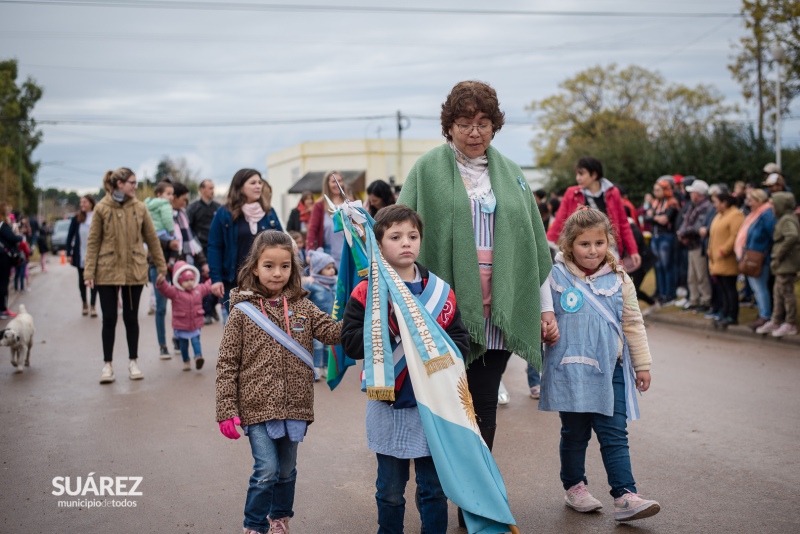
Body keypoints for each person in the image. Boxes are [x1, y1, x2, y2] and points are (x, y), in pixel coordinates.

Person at [397, 81, 558, 512]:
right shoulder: (427, 169)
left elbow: (533, 249)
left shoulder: (512, 174)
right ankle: (438, 498)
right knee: (447, 409)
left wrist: (544, 308)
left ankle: (476, 504)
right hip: (442, 316)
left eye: (484, 122)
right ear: (449, 127)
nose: (474, 131)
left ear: (494, 126)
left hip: (497, 318)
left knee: (483, 407)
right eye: (465, 122)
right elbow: (397, 236)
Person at [340, 205, 471, 533]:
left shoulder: (439, 292)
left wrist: (437, 352)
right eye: (395, 237)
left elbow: (461, 343)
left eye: (412, 236)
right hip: (389, 405)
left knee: (433, 488)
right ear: (379, 244)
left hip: (432, 405)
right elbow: (350, 342)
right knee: (390, 490)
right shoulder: (365, 292)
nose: (406, 243)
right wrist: (385, 326)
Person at [215, 230, 342, 534]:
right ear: (255, 267)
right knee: (266, 470)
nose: (277, 273)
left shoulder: (303, 307)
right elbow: (226, 364)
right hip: (255, 407)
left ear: (293, 268)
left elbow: (334, 333)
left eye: (285, 266)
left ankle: (280, 519)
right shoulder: (241, 313)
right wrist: (225, 409)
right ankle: (254, 525)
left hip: (295, 406)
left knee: (286, 471)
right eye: (269, 265)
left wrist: (362, 307)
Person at [539, 207, 659, 522]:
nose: (593, 251)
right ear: (568, 245)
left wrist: (642, 365)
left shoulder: (620, 279)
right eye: (584, 244)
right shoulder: (553, 276)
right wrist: (544, 325)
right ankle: (575, 487)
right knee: (575, 432)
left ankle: (625, 496)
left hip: (612, 370)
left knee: (614, 432)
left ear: (608, 242)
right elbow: (542, 314)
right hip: (570, 370)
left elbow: (633, 322)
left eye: (599, 243)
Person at [84, 168, 167, 384]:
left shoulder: (139, 208)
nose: (135, 186)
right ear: (119, 183)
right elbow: (93, 241)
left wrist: (161, 267)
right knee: (109, 319)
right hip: (107, 271)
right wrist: (89, 272)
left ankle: (133, 362)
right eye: (132, 182)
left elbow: (152, 239)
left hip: (134, 270)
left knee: (131, 318)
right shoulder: (102, 208)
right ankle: (107, 365)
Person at [208, 169, 281, 323]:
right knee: (236, 327)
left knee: (265, 327)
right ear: (240, 187)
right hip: (235, 283)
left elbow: (282, 242)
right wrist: (216, 279)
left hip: (265, 282)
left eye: (260, 182)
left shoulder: (268, 212)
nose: (258, 186)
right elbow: (215, 246)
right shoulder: (224, 213)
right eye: (253, 183)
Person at [548, 157, 641, 270]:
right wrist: (547, 244)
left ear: (594, 174)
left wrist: (633, 250)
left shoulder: (613, 192)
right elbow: (560, 220)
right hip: (581, 250)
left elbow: (623, 223)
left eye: (581, 174)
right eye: (577, 174)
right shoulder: (572, 193)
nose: (578, 178)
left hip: (608, 248)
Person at [756, 192, 800, 337]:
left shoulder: (787, 219)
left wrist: (779, 254)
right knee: (778, 293)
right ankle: (775, 320)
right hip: (782, 263)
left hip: (786, 263)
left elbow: (792, 236)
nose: (772, 208)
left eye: (774, 205)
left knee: (786, 293)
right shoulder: (783, 218)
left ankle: (790, 323)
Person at [156, 260, 212, 371]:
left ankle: (198, 357)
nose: (190, 283)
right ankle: (186, 360)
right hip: (181, 325)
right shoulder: (175, 292)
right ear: (178, 281)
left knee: (196, 341)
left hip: (195, 323)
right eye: (186, 281)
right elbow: (166, 290)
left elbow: (207, 286)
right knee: (183, 345)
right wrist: (162, 283)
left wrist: (212, 277)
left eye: (191, 279)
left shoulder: (198, 289)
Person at [735, 189, 776, 331]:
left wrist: (766, 251)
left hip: (760, 258)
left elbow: (773, 235)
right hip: (753, 255)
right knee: (757, 288)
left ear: (759, 200)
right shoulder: (757, 214)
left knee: (760, 288)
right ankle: (763, 313)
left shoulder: (766, 214)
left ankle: (765, 315)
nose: (748, 203)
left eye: (750, 200)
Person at [707, 191, 745, 329]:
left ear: (724, 203)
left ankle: (732, 316)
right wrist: (711, 250)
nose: (714, 205)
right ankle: (724, 312)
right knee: (722, 289)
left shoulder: (735, 215)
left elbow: (735, 236)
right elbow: (714, 235)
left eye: (715, 202)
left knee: (730, 288)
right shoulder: (720, 215)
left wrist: (724, 250)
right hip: (716, 259)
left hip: (726, 259)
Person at [676, 180, 714, 313]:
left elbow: (698, 227)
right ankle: (694, 300)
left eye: (692, 192)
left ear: (698, 193)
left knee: (701, 275)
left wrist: (683, 233)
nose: (690, 194)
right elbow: (686, 222)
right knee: (691, 276)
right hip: (691, 246)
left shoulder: (705, 206)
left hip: (698, 245)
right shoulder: (694, 205)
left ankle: (706, 300)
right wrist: (681, 231)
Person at [302, 248, 337, 380]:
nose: (332, 270)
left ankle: (327, 368)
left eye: (332, 267)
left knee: (329, 345)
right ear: (318, 269)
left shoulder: (335, 282)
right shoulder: (311, 284)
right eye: (328, 268)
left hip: (331, 322)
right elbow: (303, 302)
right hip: (316, 322)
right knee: (317, 345)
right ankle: (316, 368)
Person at [644, 178, 680, 305]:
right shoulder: (655, 202)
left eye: (658, 190)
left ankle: (669, 293)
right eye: (654, 190)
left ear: (665, 190)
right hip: (656, 236)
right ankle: (660, 292)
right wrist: (656, 218)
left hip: (666, 236)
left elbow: (665, 219)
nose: (655, 192)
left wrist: (653, 217)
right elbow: (646, 217)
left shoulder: (672, 203)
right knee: (658, 266)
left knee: (666, 265)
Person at [66, 195, 99, 317]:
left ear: (91, 203)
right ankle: (84, 302)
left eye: (84, 202)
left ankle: (93, 305)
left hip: (94, 253)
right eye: (81, 202)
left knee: (94, 281)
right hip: (80, 253)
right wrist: (69, 253)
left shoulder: (96, 216)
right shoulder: (77, 219)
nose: (82, 205)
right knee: (82, 281)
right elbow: (70, 237)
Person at [307, 171, 347, 269]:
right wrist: (309, 251)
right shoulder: (319, 205)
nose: (337, 184)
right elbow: (312, 229)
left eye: (340, 180)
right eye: (334, 181)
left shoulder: (350, 203)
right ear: (327, 184)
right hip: (328, 255)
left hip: (349, 252)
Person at [144, 181, 178, 263]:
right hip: (162, 230)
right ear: (159, 194)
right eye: (168, 194)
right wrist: (171, 230)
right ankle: (172, 261)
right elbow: (167, 218)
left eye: (172, 194)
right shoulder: (165, 204)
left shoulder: (149, 204)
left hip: (153, 231)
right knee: (175, 240)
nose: (171, 197)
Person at [0, 201, 23, 319]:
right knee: (3, 283)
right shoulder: (2, 225)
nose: (9, 213)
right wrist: (21, 236)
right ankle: (3, 309)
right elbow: (12, 238)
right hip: (3, 257)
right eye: (7, 211)